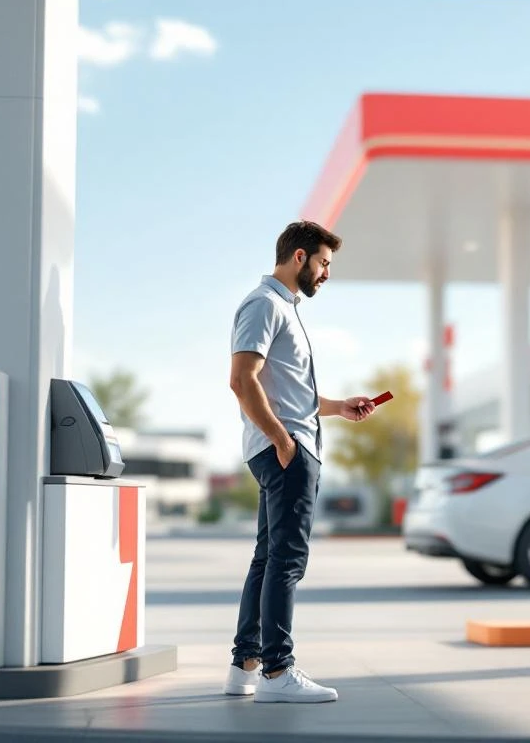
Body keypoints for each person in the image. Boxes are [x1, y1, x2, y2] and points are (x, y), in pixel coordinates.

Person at [223, 220, 376, 704]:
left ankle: (246, 666)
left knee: (268, 558)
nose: (326, 273)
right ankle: (277, 671)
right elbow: (241, 380)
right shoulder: (264, 305)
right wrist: (283, 441)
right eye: (324, 263)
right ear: (299, 257)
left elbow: (287, 392)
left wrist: (339, 407)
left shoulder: (280, 308)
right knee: (287, 561)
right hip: (285, 451)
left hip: (284, 445)